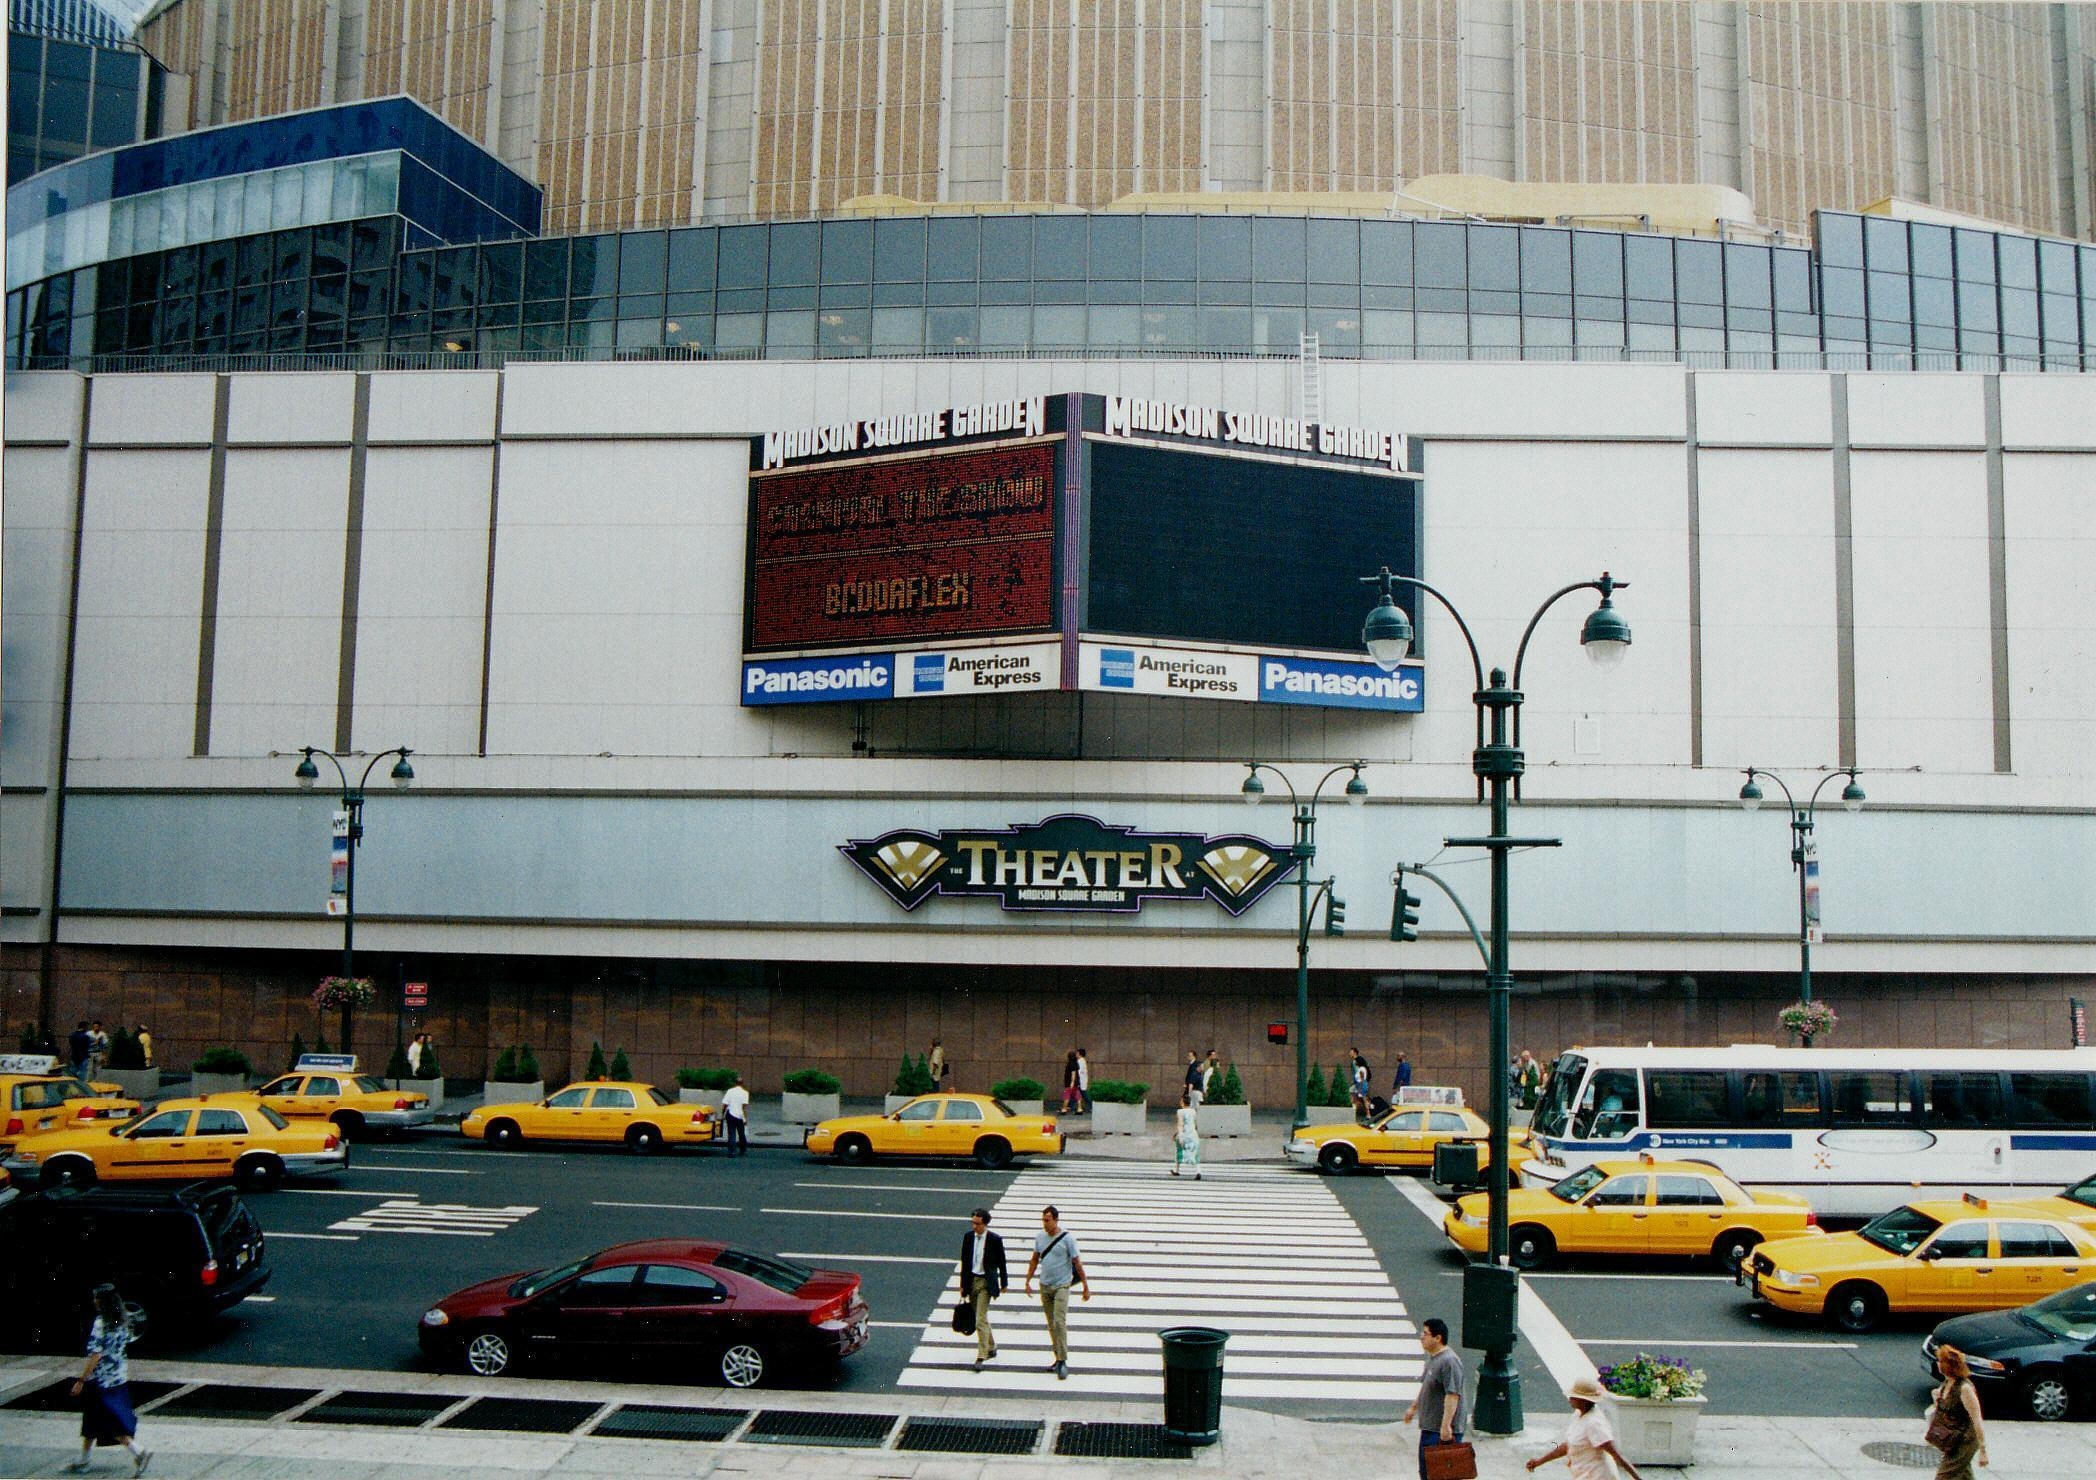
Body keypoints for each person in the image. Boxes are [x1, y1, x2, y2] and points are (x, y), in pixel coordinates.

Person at [67, 1283, 149, 1475]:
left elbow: (96, 1355)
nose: (94, 1301)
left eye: (97, 1298)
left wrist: (81, 1380)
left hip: (101, 1381)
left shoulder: (100, 1324)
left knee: (109, 1422)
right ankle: (84, 1460)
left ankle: (139, 1452)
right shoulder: (124, 1320)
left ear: (103, 1302)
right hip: (118, 1378)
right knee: (92, 1421)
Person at [1525, 1374, 1643, 1479]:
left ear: (1584, 1401)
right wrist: (1539, 1462)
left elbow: (1617, 1455)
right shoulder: (1578, 1415)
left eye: (1573, 1396)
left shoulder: (1594, 1424)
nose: (1570, 1399)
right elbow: (1569, 1445)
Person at [1022, 1204, 1090, 1379]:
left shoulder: (1067, 1239)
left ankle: (1062, 1360)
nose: (1045, 1224)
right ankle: (1058, 1356)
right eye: (1043, 1220)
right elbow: (1034, 1259)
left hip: (1062, 1285)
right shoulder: (1040, 1237)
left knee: (1059, 1321)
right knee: (1052, 1324)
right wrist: (1028, 1279)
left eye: (1048, 1220)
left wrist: (1085, 1286)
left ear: (1056, 1220)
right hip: (1045, 1285)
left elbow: (1077, 1262)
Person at [1403, 1316, 1465, 1480]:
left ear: (1438, 1338)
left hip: (1440, 1432)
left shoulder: (1449, 1361)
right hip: (1429, 1427)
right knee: (1426, 1473)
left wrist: (1446, 1427)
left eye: (1426, 1334)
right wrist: (1414, 1407)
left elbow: (1452, 1395)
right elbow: (1427, 1387)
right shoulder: (1433, 1358)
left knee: (1439, 1475)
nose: (1422, 1337)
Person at [1925, 1344, 1988, 1478]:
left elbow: (1977, 1420)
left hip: (1965, 1441)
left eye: (1940, 1361)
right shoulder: (1947, 1383)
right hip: (1952, 1439)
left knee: (1943, 1477)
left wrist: (1983, 1451)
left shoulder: (1965, 1389)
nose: (1937, 1364)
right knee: (1964, 1475)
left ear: (1948, 1366)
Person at [958, 1207, 1008, 1370]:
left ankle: (981, 1355)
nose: (974, 1226)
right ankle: (991, 1346)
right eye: (973, 1223)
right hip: (971, 1280)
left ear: (985, 1224)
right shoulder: (968, 1237)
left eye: (977, 1224)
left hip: (986, 1283)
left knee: (979, 1318)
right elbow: (965, 1262)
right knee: (981, 1317)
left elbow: (1002, 1262)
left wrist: (1004, 1283)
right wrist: (963, 1285)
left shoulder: (994, 1239)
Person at [1172, 1086, 1202, 1179]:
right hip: (1193, 1134)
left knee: (1179, 1152)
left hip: (1184, 1134)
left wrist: (1179, 1135)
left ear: (1182, 1102)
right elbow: (1195, 1123)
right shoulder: (1193, 1111)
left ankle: (1177, 1170)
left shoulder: (1180, 1112)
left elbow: (1180, 1124)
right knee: (1195, 1153)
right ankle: (1198, 1171)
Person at [720, 1072, 750, 1156]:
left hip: (730, 1114)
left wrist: (722, 1114)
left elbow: (724, 1104)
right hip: (740, 1115)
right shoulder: (745, 1093)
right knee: (741, 1133)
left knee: (731, 1133)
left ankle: (732, 1151)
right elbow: (744, 1107)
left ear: (735, 1083)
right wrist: (745, 1119)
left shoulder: (730, 1091)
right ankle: (743, 1150)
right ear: (742, 1084)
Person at [1349, 1047, 1372, 1120]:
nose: (1349, 1053)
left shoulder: (1357, 1062)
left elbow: (1359, 1073)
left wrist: (1360, 1084)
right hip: (1358, 1083)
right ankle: (1356, 1111)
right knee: (1357, 1097)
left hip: (1359, 1084)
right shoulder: (1357, 1061)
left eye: (1351, 1052)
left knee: (1362, 1098)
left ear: (1355, 1053)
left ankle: (1368, 1114)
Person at [1060, 1050, 1082, 1114]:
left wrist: (1072, 1082)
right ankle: (1079, 1109)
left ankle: (1064, 1109)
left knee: (1067, 1095)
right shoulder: (1076, 1063)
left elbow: (1073, 1073)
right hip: (1075, 1082)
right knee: (1077, 1095)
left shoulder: (1071, 1063)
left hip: (1070, 1082)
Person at [1074, 1047, 1089, 1113]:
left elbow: (1078, 1072)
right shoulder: (1081, 1060)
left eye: (1077, 1053)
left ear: (1080, 1054)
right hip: (1081, 1081)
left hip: (1081, 1081)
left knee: (1084, 1094)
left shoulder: (1080, 1061)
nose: (1076, 1054)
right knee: (1079, 1094)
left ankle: (1068, 1106)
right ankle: (1070, 1106)